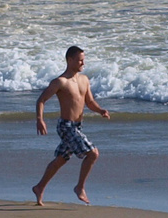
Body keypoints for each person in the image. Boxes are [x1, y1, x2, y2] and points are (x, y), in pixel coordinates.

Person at [32, 45, 110, 205]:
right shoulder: (61, 82)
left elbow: (89, 101)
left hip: (78, 126)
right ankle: (79, 187)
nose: (83, 64)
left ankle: (39, 187)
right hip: (66, 126)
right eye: (80, 60)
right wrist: (40, 119)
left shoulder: (84, 79)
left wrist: (100, 110)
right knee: (93, 153)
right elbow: (41, 100)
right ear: (70, 60)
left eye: (84, 60)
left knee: (61, 159)